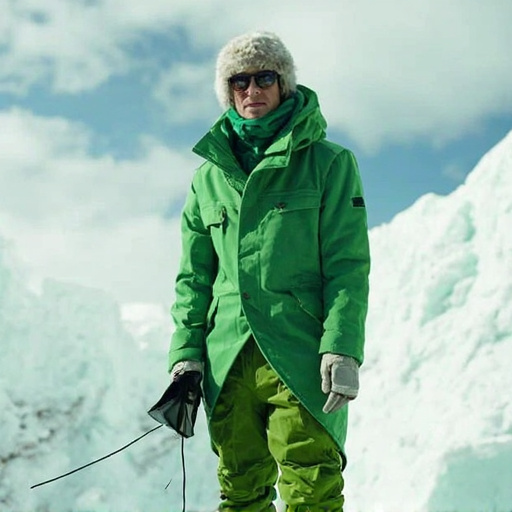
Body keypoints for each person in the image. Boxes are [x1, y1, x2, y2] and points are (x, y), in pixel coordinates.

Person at [168, 31, 370, 512]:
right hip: (226, 359)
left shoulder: (328, 164)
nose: (251, 90)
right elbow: (193, 277)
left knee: (312, 490)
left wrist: (342, 346)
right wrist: (185, 355)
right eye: (239, 81)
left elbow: (347, 265)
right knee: (240, 492)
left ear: (284, 84)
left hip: (300, 356)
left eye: (264, 78)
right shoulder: (208, 179)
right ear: (228, 91)